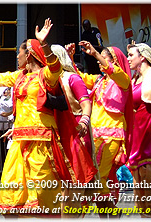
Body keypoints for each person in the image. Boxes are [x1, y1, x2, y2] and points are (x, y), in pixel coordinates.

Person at [0, 18, 77, 217]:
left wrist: (44, 44)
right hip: (19, 140)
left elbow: (55, 67)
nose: (17, 57)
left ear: (28, 55)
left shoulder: (45, 75)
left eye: (18, 54)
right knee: (11, 188)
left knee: (41, 192)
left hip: (41, 141)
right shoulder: (18, 76)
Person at [77, 41, 132, 218]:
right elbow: (79, 78)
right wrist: (68, 59)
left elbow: (113, 71)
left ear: (114, 61)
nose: (100, 63)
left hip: (112, 135)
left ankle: (113, 214)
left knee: (98, 176)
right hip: (95, 135)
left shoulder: (122, 80)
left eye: (104, 59)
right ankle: (108, 216)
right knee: (96, 177)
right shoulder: (99, 80)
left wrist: (95, 54)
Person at [52, 44, 97, 218]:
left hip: (75, 133)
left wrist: (85, 121)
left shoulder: (72, 78)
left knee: (73, 187)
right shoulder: (46, 80)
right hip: (56, 134)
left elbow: (86, 104)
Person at [127, 36, 151, 218]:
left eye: (131, 55)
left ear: (142, 57)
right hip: (137, 143)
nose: (128, 58)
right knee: (141, 203)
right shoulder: (134, 80)